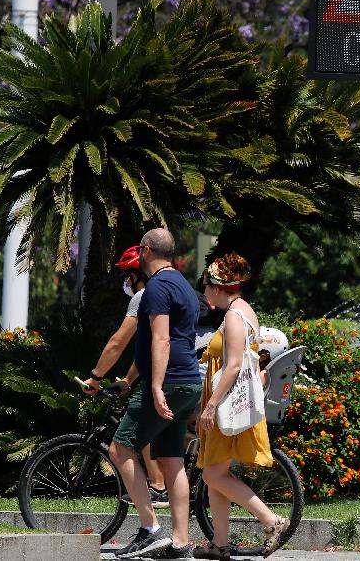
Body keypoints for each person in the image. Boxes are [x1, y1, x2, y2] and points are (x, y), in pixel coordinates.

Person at [107, 228, 204, 559]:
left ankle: (151, 529)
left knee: (120, 448)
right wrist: (136, 379)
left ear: (146, 251)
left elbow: (161, 339)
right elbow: (169, 341)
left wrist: (155, 386)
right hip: (189, 381)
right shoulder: (185, 287)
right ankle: (179, 543)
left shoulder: (157, 288)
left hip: (169, 382)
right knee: (172, 459)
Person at [195, 253, 289, 560]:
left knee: (212, 475)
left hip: (226, 405)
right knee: (216, 474)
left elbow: (234, 365)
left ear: (219, 287)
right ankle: (219, 543)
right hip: (231, 404)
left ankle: (270, 520)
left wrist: (210, 406)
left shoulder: (235, 317)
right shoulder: (240, 311)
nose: (204, 290)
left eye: (206, 285)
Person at [81, 245, 169, 508]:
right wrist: (128, 381)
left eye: (125, 277)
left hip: (170, 374)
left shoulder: (143, 297)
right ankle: (162, 485)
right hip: (185, 369)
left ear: (134, 276)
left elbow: (118, 342)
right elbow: (146, 352)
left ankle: (158, 486)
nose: (124, 283)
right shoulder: (167, 289)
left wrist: (95, 377)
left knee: (137, 425)